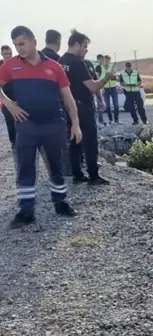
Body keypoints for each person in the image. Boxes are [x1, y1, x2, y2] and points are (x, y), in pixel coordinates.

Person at [0, 25, 81, 227]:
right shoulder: (10, 66)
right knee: (25, 168)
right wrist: (9, 105)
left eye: (22, 44)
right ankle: (26, 212)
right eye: (16, 45)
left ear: (33, 41)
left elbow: (68, 97)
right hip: (26, 127)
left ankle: (61, 203)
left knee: (56, 166)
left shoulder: (54, 66)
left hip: (54, 125)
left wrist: (76, 125)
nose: (19, 49)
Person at [59, 29, 112, 185]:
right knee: (90, 142)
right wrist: (107, 77)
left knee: (74, 141)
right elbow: (93, 87)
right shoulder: (77, 63)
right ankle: (93, 176)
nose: (86, 49)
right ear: (77, 44)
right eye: (85, 46)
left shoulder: (61, 61)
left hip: (68, 107)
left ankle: (77, 174)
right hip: (83, 107)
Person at [1, 44, 17, 155]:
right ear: (2, 54)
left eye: (10, 54)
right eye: (6, 54)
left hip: (18, 97)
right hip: (5, 99)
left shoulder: (16, 64)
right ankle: (14, 142)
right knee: (9, 120)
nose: (8, 56)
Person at [102, 54, 119, 124]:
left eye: (108, 61)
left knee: (116, 104)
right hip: (105, 88)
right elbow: (101, 77)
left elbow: (115, 76)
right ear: (104, 60)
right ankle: (110, 120)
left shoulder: (113, 67)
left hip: (113, 87)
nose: (107, 62)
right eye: (106, 61)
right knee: (107, 105)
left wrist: (112, 72)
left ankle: (116, 120)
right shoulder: (101, 67)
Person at [93, 54, 106, 125]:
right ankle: (100, 121)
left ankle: (101, 120)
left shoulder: (102, 67)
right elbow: (97, 78)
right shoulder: (97, 67)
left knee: (101, 104)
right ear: (98, 59)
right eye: (101, 59)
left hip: (100, 87)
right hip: (98, 87)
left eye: (103, 59)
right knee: (99, 104)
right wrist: (100, 87)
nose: (103, 61)